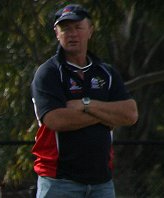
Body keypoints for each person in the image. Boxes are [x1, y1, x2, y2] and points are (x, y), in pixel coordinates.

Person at [31, 4, 138, 198]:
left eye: (78, 27)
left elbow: (130, 114)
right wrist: (106, 116)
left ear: (90, 30)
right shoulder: (49, 73)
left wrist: (87, 104)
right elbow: (56, 120)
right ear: (57, 33)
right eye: (65, 29)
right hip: (59, 181)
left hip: (101, 183)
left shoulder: (106, 72)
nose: (72, 34)